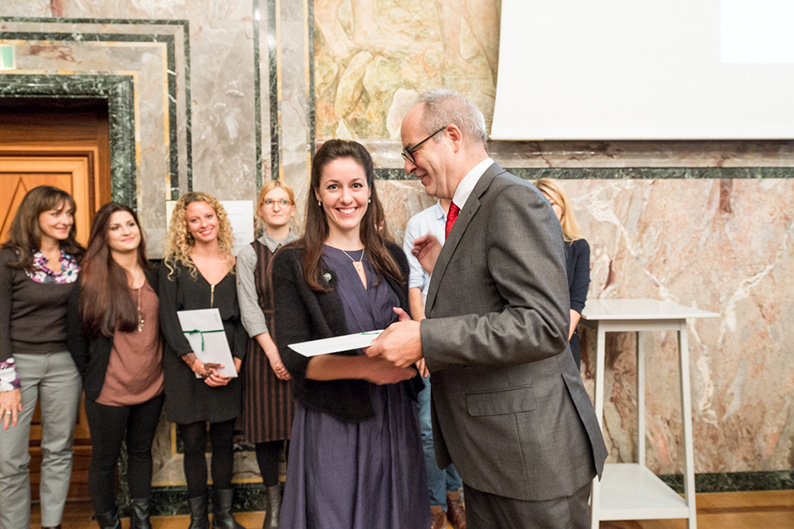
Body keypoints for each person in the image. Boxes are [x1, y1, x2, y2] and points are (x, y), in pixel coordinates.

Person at [367, 90, 608, 528]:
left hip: (529, 458)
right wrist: (444, 267)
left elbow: (543, 324)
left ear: (451, 136)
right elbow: (493, 298)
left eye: (411, 151)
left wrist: (425, 337)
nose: (407, 166)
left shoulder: (512, 199)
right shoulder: (473, 204)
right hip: (492, 454)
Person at [270, 139, 430, 529]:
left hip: (395, 416)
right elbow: (294, 358)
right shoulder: (293, 261)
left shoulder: (392, 257)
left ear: (370, 191)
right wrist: (368, 370)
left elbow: (422, 333)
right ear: (317, 193)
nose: (346, 197)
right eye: (334, 186)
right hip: (335, 420)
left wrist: (415, 323)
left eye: (356, 185)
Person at [65, 202, 164, 529]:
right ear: (103, 236)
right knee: (105, 461)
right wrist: (93, 377)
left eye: (130, 224)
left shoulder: (156, 274)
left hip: (152, 386)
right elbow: (75, 338)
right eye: (115, 227)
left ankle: (141, 521)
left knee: (141, 453)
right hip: (108, 391)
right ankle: (110, 524)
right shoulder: (91, 280)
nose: (126, 232)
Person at [159, 192, 248, 529]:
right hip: (185, 368)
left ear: (219, 219)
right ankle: (198, 520)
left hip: (227, 365)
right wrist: (193, 361)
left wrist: (236, 362)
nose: (203, 224)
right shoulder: (172, 266)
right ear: (185, 226)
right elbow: (168, 320)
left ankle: (224, 516)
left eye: (208, 216)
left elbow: (244, 318)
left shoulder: (237, 264)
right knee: (194, 443)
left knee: (224, 442)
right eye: (194, 219)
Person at [0, 185, 84, 529]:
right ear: (34, 215)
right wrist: (6, 384)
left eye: (69, 213)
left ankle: (52, 525)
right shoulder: (9, 259)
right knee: (10, 458)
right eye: (56, 213)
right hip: (16, 366)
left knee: (59, 449)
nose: (66, 220)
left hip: (66, 366)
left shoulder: (78, 258)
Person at [236, 180, 298, 529]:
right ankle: (274, 510)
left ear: (292, 209)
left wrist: (292, 354)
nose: (276, 207)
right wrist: (274, 354)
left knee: (299, 429)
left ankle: (296, 505)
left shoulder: (307, 248)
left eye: (283, 201)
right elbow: (249, 310)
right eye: (269, 201)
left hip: (300, 343)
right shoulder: (248, 254)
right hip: (262, 348)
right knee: (267, 430)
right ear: (260, 210)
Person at [403, 200, 466, 529]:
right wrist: (424, 339)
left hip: (466, 337)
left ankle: (455, 497)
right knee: (428, 427)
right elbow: (414, 286)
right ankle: (434, 504)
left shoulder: (475, 216)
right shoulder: (420, 222)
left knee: (459, 423)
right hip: (430, 334)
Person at [534, 178, 591, 370]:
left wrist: (559, 340)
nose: (545, 210)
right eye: (539, 204)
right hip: (526, 339)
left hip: (562, 340)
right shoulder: (524, 246)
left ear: (563, 208)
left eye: (551, 204)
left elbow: (576, 301)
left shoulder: (578, 247)